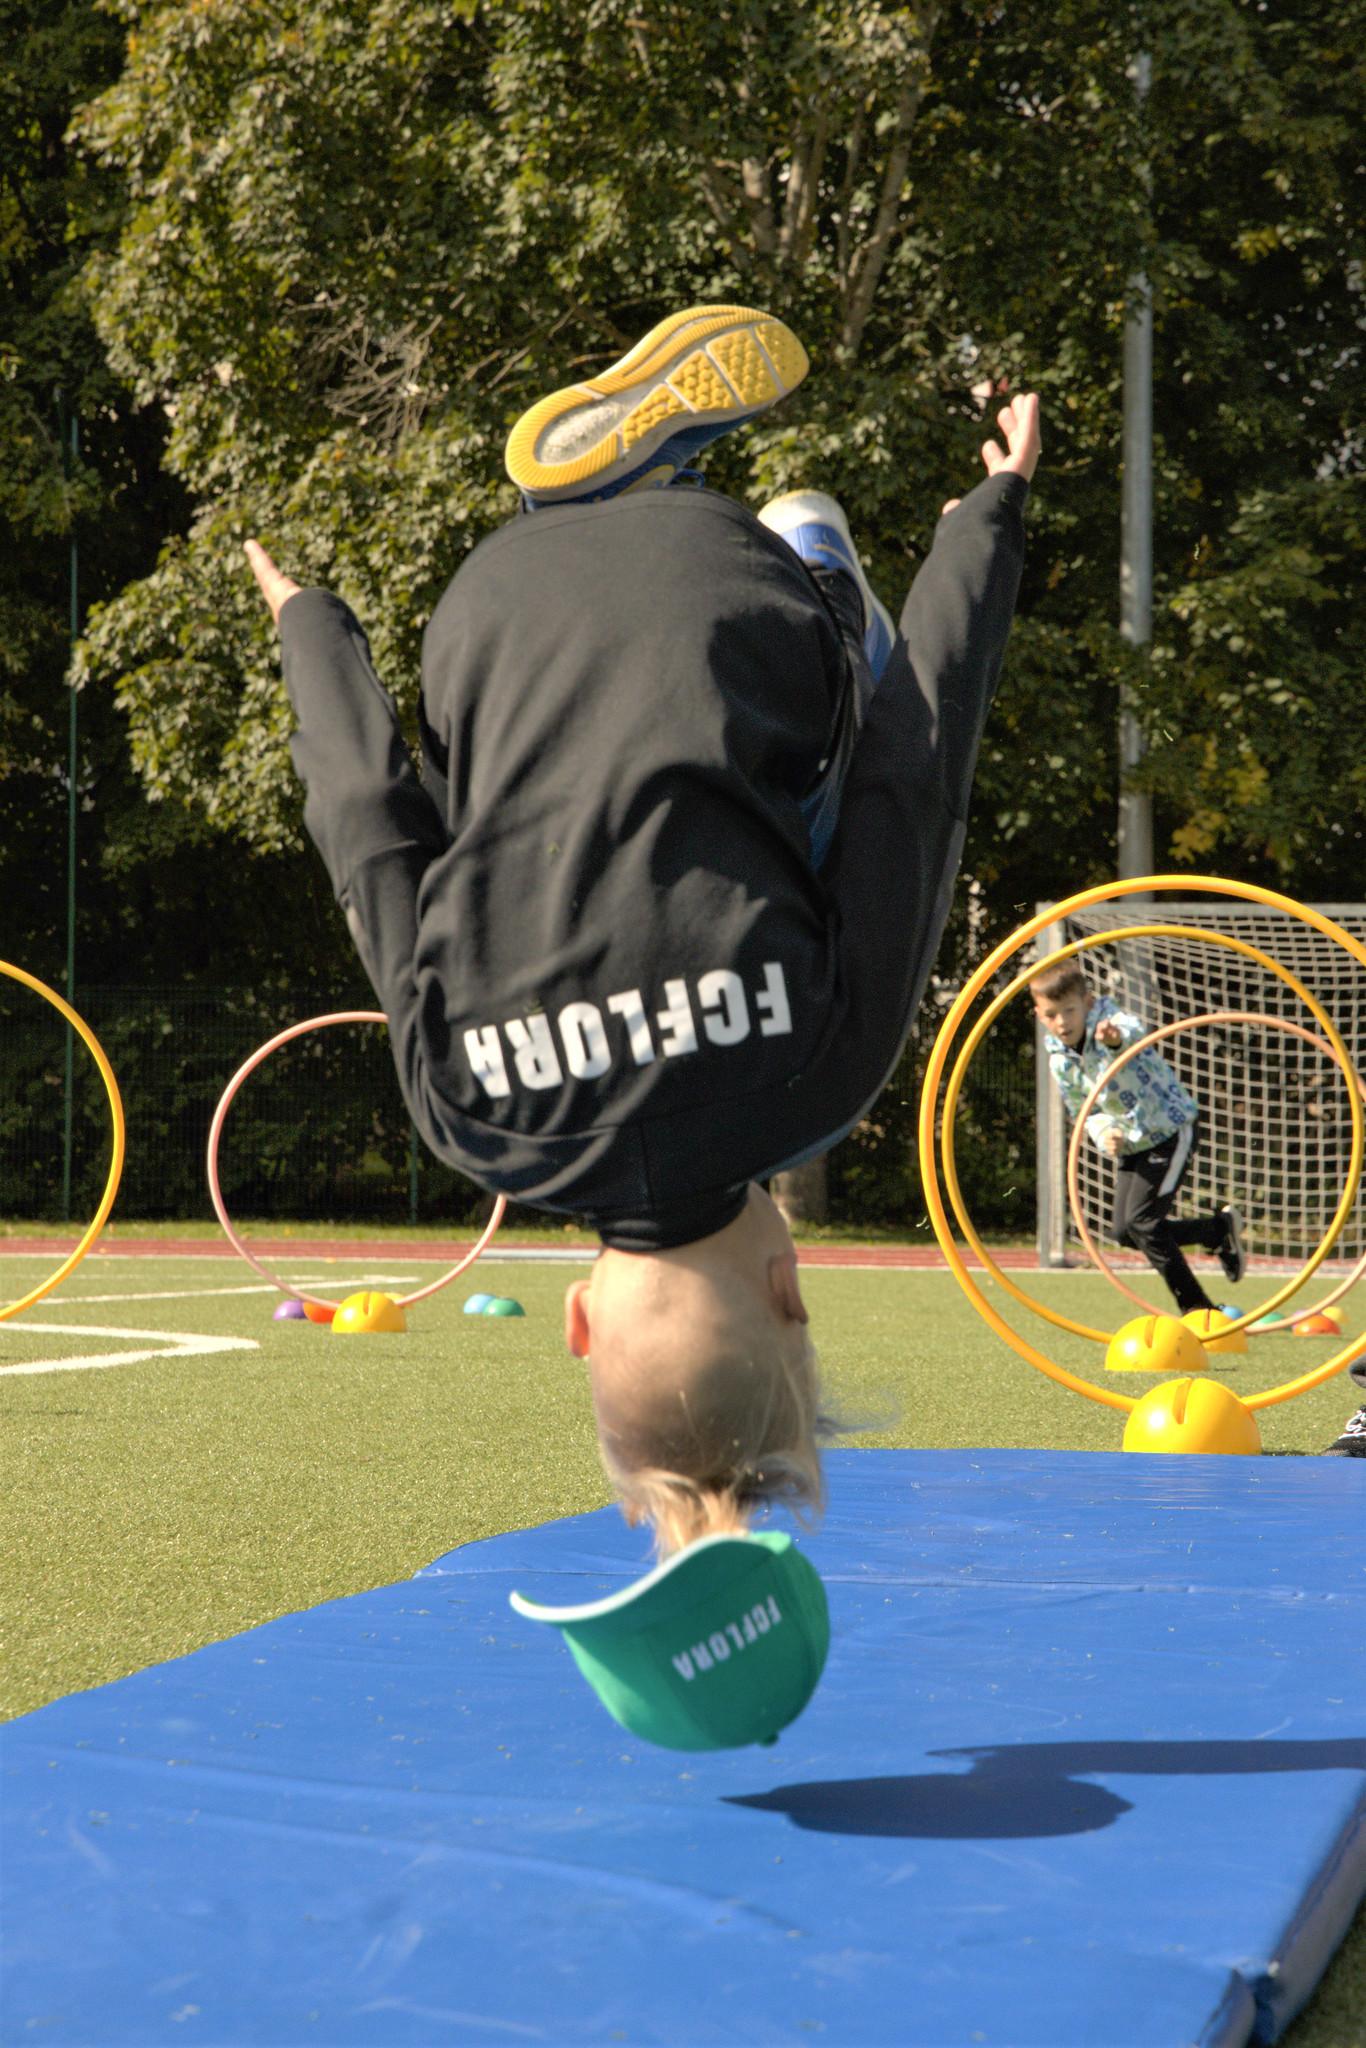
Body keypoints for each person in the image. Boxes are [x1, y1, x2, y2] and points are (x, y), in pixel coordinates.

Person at [246, 303, 1040, 1554]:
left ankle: (827, 579)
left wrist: (984, 521)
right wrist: (308, 624)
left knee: (831, 811)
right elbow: (368, 822)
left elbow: (915, 768)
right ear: (578, 1320)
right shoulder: (476, 1121)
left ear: (787, 1288)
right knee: (478, 831)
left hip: (737, 587)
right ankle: (594, 508)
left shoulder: (820, 1081)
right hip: (489, 613)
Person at [1030, 959, 1245, 1317]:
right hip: (1132, 1143)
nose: (1062, 1022)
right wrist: (1104, 1133)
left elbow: (1133, 1033)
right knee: (1126, 1233)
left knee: (1143, 1223)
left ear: (1087, 1003)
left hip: (1169, 1130)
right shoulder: (1059, 1060)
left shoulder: (1109, 1020)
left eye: (1069, 1010)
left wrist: (1114, 1039)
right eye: (1051, 1014)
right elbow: (1083, 1109)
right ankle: (1215, 1231)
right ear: (1040, 1015)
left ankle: (1198, 1309)